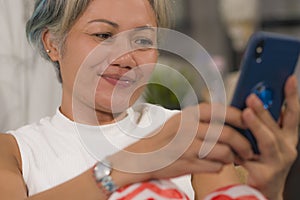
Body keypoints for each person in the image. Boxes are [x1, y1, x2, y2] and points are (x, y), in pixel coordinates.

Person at [0, 0, 298, 199]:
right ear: (52, 43)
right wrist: (126, 166)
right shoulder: (14, 152)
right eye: (103, 35)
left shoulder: (186, 135)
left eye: (142, 41)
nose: (125, 58)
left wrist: (267, 187)